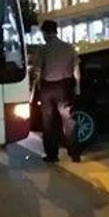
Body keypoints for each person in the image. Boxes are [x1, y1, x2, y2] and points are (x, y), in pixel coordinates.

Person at [37, 20, 81, 163]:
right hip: (64, 87)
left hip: (47, 87)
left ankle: (52, 155)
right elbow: (76, 69)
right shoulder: (69, 48)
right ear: (56, 31)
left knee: (48, 122)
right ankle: (74, 154)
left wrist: (35, 88)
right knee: (68, 119)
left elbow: (37, 71)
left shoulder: (43, 50)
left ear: (44, 33)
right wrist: (77, 86)